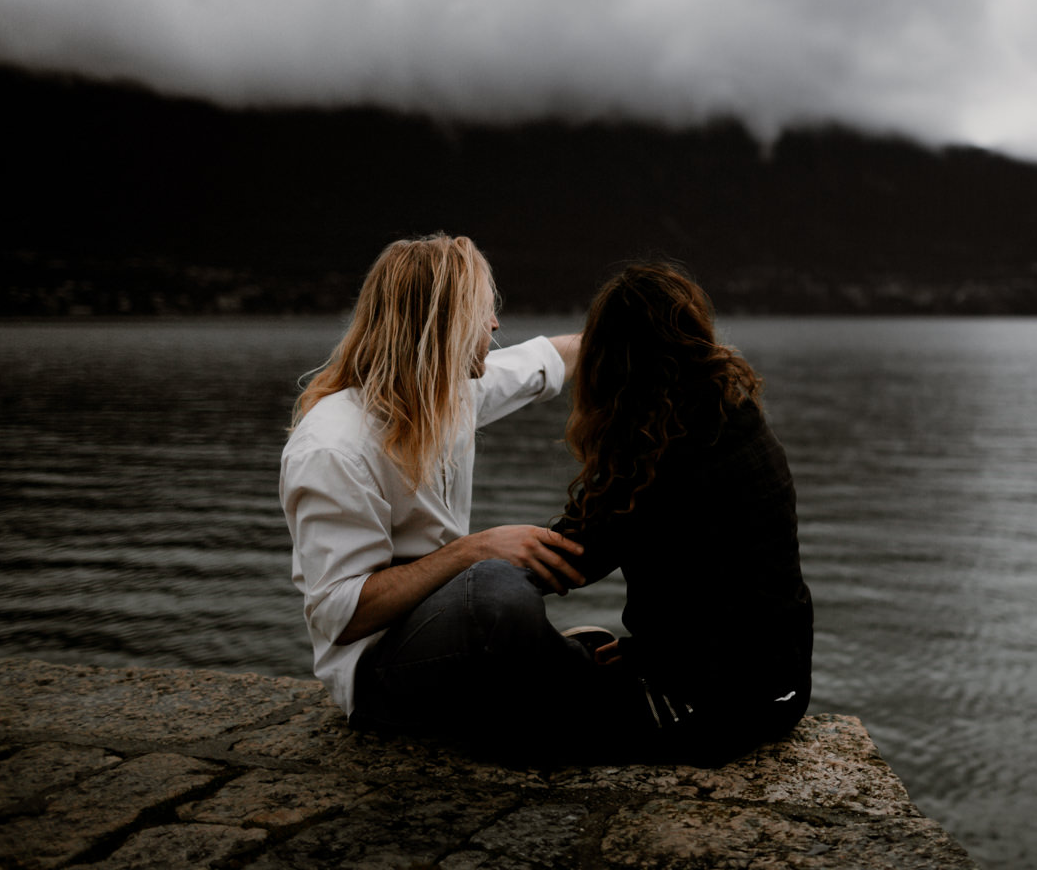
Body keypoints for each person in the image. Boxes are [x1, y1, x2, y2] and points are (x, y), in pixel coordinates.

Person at [280, 233, 589, 739]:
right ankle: (596, 685)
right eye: (483, 312)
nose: (495, 324)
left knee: (511, 577)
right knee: (493, 587)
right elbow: (340, 612)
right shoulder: (334, 445)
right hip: (380, 681)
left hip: (449, 638)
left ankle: (570, 669)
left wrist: (645, 327)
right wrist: (473, 550)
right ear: (441, 325)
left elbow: (552, 358)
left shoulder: (448, 393)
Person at [552, 261, 814, 766]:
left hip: (715, 705)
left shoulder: (656, 454)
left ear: (611, 364)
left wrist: (467, 560)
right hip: (781, 690)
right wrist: (647, 652)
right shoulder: (737, 421)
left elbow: (571, 558)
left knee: (512, 717)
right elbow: (729, 593)